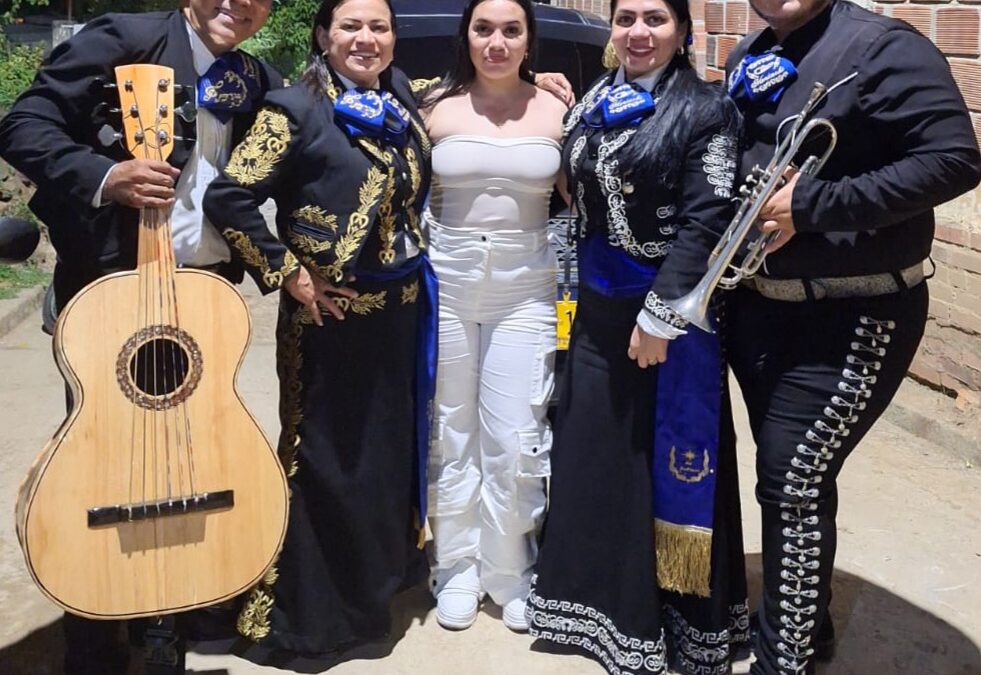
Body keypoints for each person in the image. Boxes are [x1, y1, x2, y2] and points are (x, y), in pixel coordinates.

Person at [0, 1, 281, 673]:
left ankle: (166, 627)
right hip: (112, 292)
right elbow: (24, 122)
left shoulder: (254, 75)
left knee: (188, 462)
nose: (236, 4)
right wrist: (103, 175)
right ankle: (93, 635)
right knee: (101, 463)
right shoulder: (127, 38)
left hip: (202, 295)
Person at [722, 1, 981, 673]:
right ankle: (808, 627)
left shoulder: (884, 46)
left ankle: (785, 657)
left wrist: (810, 206)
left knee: (789, 480)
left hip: (855, 315)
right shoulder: (749, 54)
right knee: (798, 480)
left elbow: (953, 159)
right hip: (759, 310)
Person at [203, 0, 438, 657]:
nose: (366, 39)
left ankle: (374, 587)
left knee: (384, 457)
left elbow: (469, 87)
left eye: (379, 26)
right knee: (326, 462)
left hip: (400, 314)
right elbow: (230, 196)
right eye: (351, 26)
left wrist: (545, 82)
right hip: (327, 319)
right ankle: (307, 615)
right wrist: (288, 274)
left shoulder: (399, 94)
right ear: (323, 35)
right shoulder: (292, 108)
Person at [527, 0, 751, 673]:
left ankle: (672, 625)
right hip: (594, 310)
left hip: (664, 322)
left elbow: (705, 220)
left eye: (655, 18)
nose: (638, 32)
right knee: (601, 457)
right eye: (625, 18)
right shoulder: (599, 97)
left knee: (660, 463)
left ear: (684, 30)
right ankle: (600, 609)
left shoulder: (704, 110)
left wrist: (661, 317)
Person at [420, 0, 567, 633]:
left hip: (528, 290)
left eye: (511, 30)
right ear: (467, 37)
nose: (497, 42)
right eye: (484, 29)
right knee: (450, 431)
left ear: (530, 40)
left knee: (515, 435)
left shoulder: (562, 108)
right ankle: (453, 568)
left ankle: (510, 569)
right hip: (447, 283)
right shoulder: (432, 107)